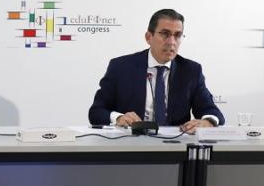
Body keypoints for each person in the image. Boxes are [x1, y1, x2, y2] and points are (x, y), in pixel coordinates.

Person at [88, 8, 222, 132]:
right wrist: (118, 118)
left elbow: (212, 112)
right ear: (148, 37)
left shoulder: (191, 70)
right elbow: (96, 112)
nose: (172, 42)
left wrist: (207, 122)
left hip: (174, 143)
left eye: (177, 35)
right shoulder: (121, 67)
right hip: (131, 141)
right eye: (165, 34)